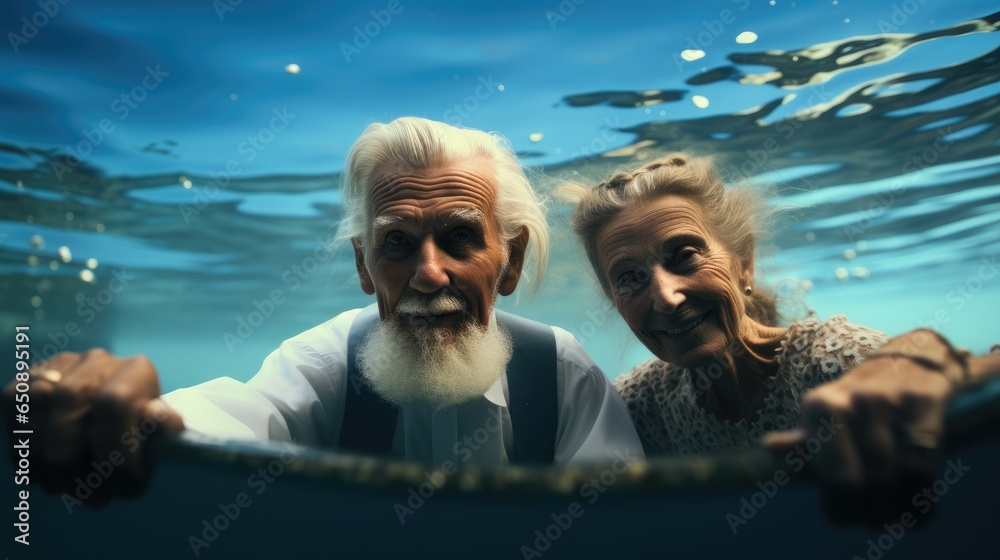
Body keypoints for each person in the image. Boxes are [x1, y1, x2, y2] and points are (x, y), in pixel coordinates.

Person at [3, 117, 643, 504]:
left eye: (459, 237)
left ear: (509, 262)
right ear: (365, 267)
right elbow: (233, 417)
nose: (427, 274)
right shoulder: (326, 361)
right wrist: (124, 415)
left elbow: (625, 528)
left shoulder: (563, 374)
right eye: (397, 243)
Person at [562, 152, 1000, 525]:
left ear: (744, 264)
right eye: (629, 279)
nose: (666, 296)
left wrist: (917, 349)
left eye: (685, 256)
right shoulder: (642, 405)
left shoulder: (829, 361)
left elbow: (944, 377)